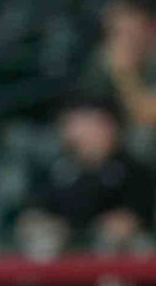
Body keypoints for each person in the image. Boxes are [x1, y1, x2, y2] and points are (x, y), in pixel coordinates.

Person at [18, 97, 155, 254]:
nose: (73, 131)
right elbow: (33, 211)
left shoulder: (134, 171)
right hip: (64, 248)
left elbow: (129, 219)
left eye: (84, 123)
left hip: (116, 254)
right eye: (70, 123)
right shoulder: (56, 170)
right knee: (41, 239)